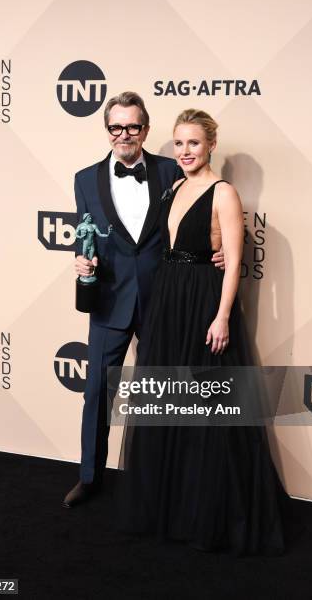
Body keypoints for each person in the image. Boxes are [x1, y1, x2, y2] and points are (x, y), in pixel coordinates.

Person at [116, 109, 289, 556]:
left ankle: (207, 512)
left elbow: (232, 260)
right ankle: (170, 507)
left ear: (212, 144)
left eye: (193, 143)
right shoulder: (174, 185)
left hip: (202, 303)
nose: (185, 152)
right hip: (169, 300)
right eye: (178, 143)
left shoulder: (223, 193)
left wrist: (222, 315)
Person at [63, 93, 225, 508]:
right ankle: (89, 477)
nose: (124, 135)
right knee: (98, 392)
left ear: (146, 130)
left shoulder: (173, 169)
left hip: (164, 297)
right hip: (109, 299)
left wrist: (217, 249)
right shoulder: (84, 179)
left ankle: (161, 481)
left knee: (164, 392)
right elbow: (86, 234)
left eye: (133, 126)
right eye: (115, 127)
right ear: (107, 130)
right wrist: (81, 262)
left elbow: (201, 215)